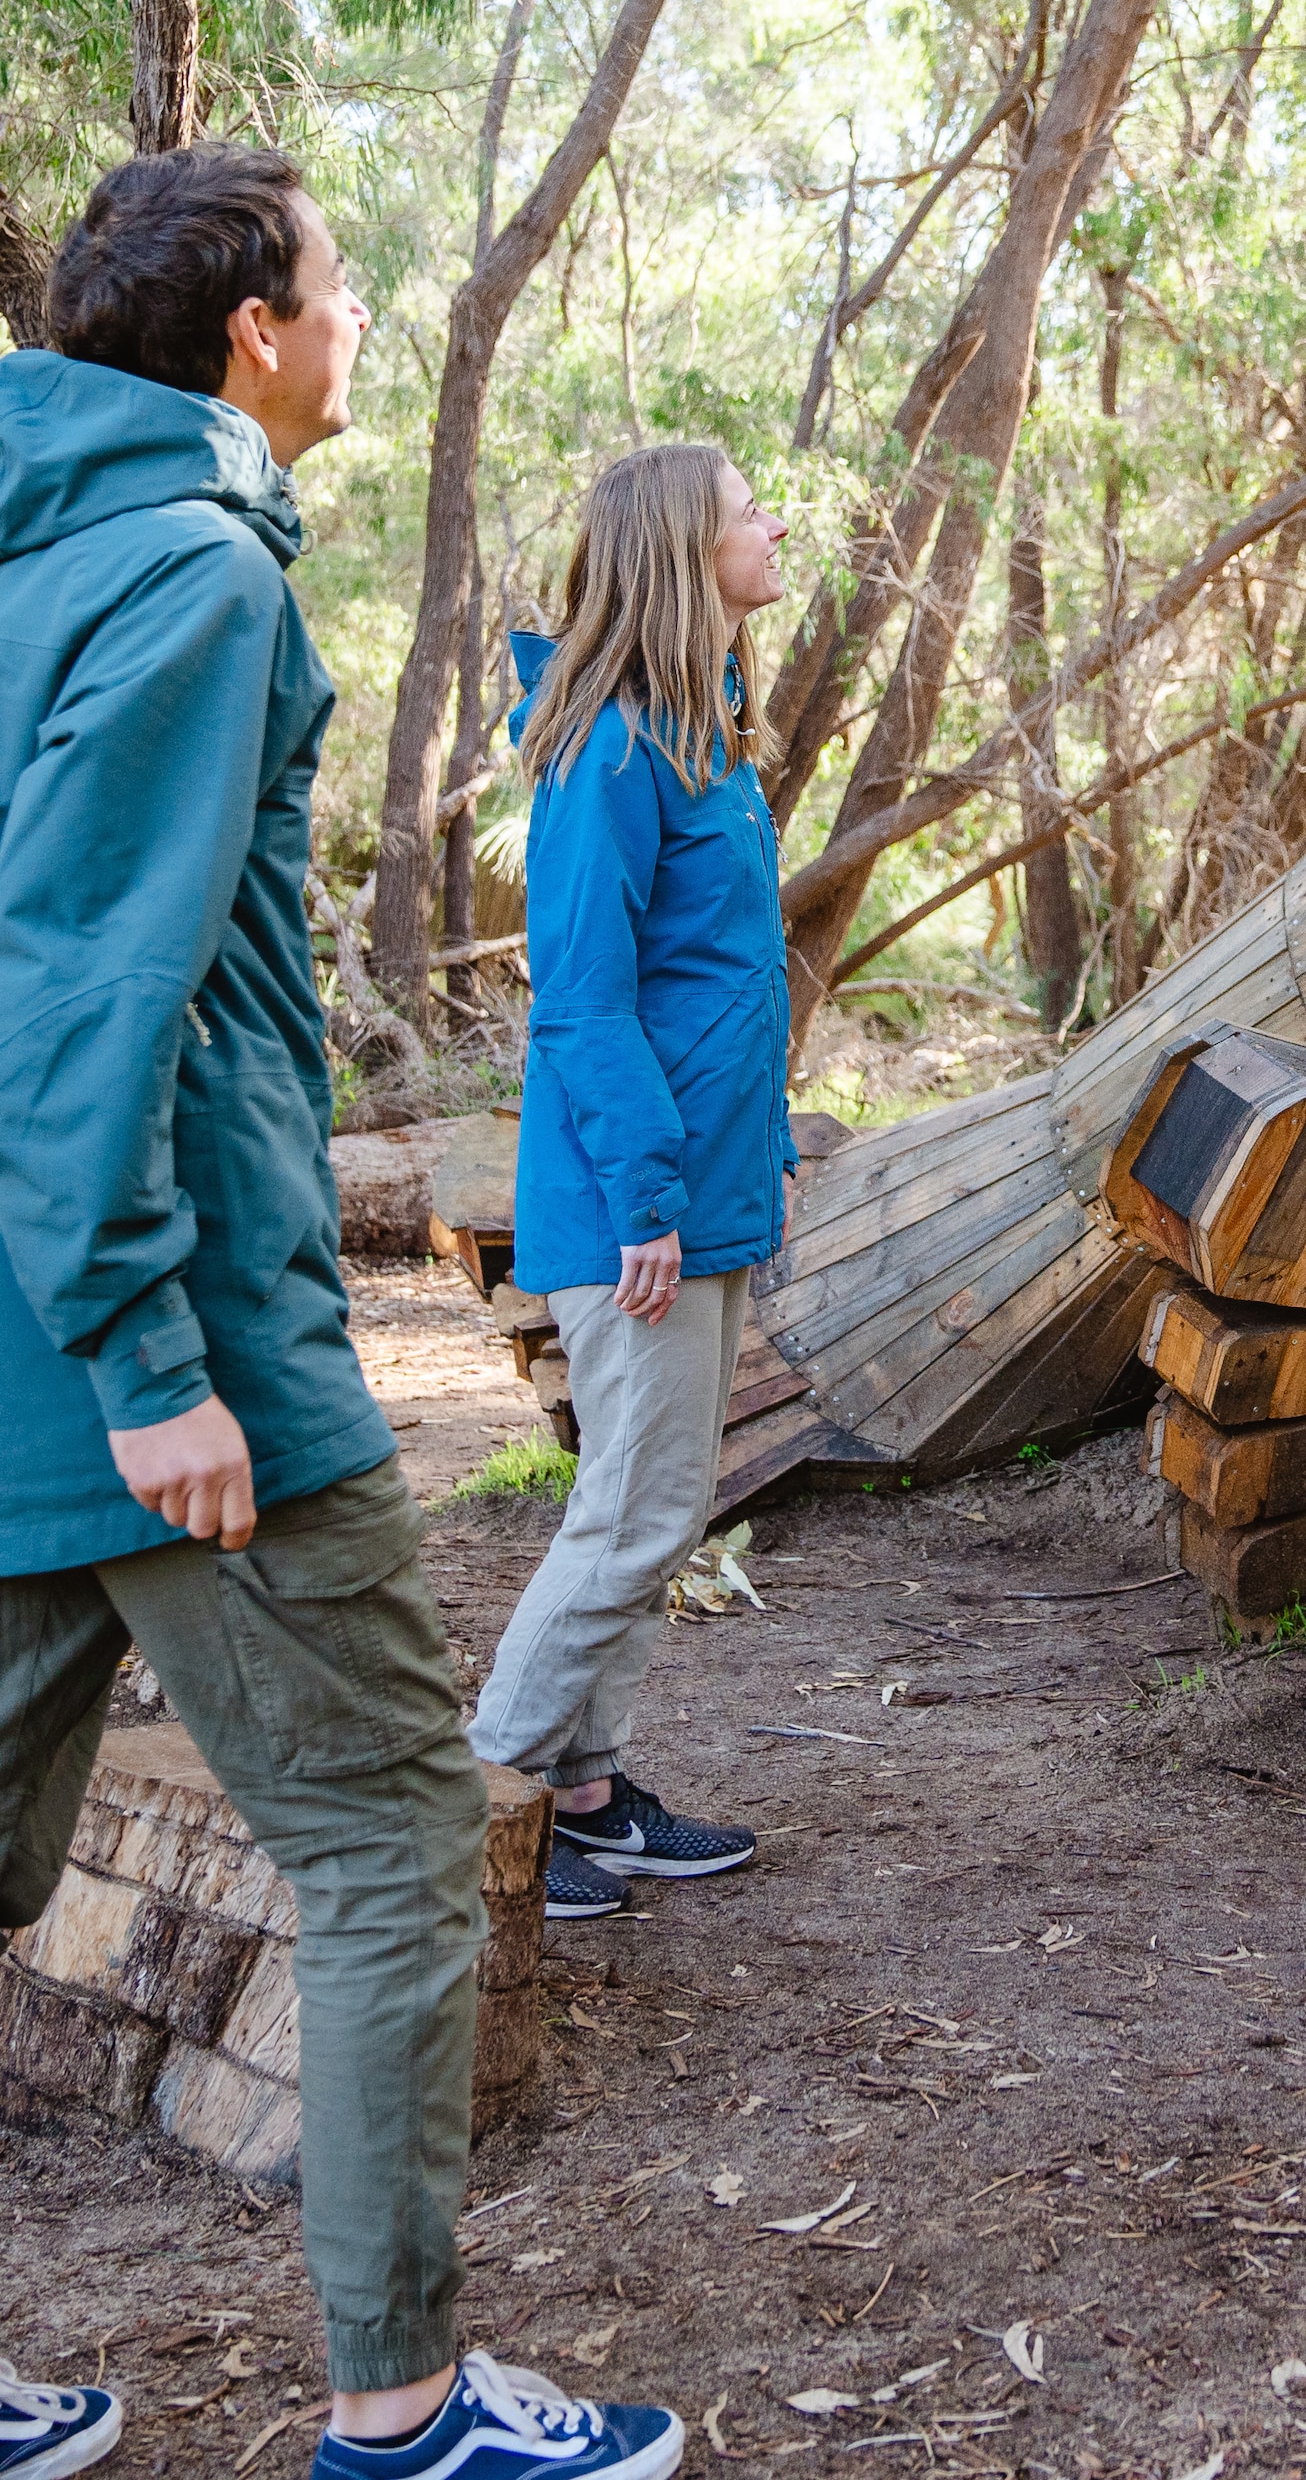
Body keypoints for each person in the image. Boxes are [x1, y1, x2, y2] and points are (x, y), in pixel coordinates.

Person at [0, 145, 680, 2480]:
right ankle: (401, 2406)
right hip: (165, 1355)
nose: (362, 312)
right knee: (391, 1834)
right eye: (339, 281)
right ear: (252, 338)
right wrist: (154, 1361)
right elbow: (82, 995)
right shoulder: (190, 576)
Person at [466, 441, 794, 1924]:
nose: (772, 523)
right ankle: (476, 1805)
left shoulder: (701, 732)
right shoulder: (608, 751)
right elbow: (582, 1000)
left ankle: (585, 1796)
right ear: (685, 549)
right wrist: (653, 1196)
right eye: (747, 511)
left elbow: (711, 986)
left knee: (649, 1502)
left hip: (697, 1196)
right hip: (630, 1209)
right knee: (637, 1518)